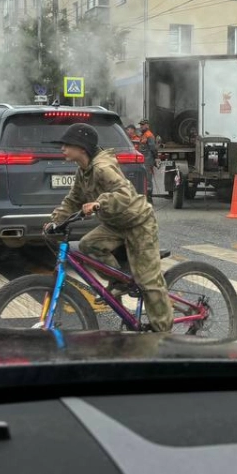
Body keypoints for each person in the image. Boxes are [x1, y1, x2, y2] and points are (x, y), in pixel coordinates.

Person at [44, 123, 173, 332]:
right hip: (115, 224)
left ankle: (164, 335)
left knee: (148, 281)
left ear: (82, 148)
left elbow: (125, 194)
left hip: (138, 222)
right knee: (88, 245)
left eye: (67, 145)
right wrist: (55, 221)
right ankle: (120, 282)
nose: (62, 149)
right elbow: (73, 199)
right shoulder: (83, 171)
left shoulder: (103, 168)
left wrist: (99, 203)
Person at [137, 119, 159, 203]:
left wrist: (156, 158)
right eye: (141, 125)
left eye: (143, 125)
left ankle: (149, 198)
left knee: (148, 179)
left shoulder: (149, 135)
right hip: (143, 161)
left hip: (148, 161)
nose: (141, 126)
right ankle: (144, 197)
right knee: (143, 179)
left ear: (147, 125)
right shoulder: (143, 135)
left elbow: (153, 148)